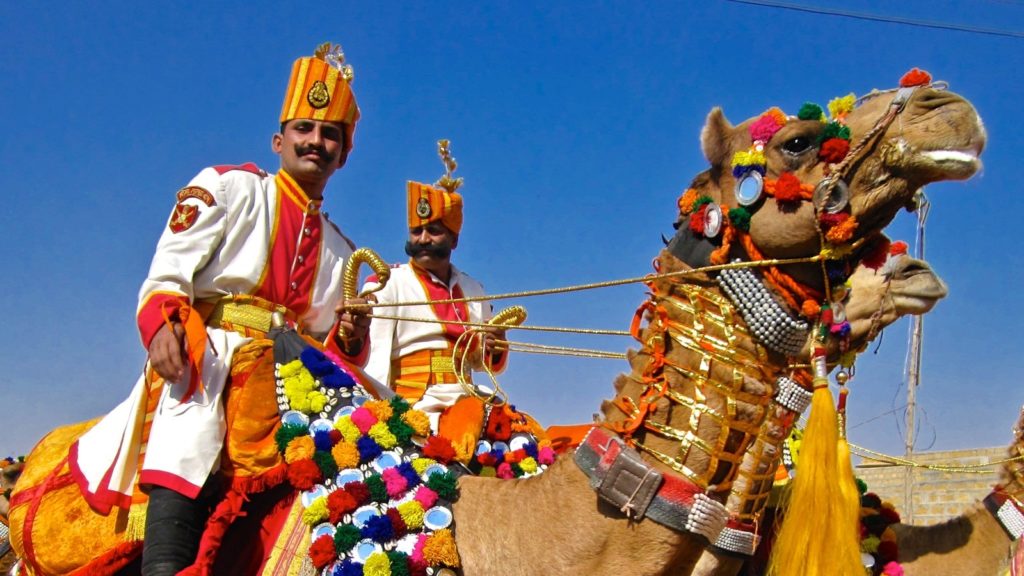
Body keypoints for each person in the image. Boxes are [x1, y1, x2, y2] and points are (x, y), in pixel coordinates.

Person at [70, 43, 372, 575]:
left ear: (344, 155)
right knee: (186, 442)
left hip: (287, 382)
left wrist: (348, 335)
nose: (317, 142)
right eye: (305, 129)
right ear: (279, 140)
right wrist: (164, 325)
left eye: (331, 135)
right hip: (210, 360)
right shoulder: (227, 188)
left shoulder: (343, 251)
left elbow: (328, 338)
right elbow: (168, 275)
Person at [362, 141, 508, 435]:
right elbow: (373, 360)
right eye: (417, 231)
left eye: (434, 231)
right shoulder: (386, 283)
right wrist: (379, 420)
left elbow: (481, 363)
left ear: (454, 240)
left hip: (468, 400)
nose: (423, 239)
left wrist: (494, 344)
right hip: (413, 406)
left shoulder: (474, 289)